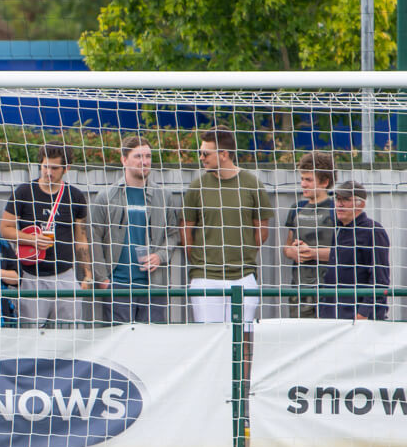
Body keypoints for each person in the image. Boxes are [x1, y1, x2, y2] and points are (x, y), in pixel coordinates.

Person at [181, 127, 273, 325]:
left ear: (223, 154)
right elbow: (186, 231)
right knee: (209, 340)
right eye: (200, 153)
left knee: (243, 337)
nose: (201, 158)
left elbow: (262, 232)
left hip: (243, 276)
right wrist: (203, 260)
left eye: (205, 153)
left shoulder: (251, 184)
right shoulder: (197, 186)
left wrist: (241, 254)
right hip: (205, 276)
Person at [88, 136, 180, 324]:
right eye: (138, 156)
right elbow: (94, 239)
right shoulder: (106, 197)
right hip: (118, 286)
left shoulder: (164, 196)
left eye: (148, 156)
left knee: (150, 346)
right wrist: (103, 280)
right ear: (124, 160)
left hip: (154, 287)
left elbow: (173, 235)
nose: (144, 161)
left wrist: (160, 256)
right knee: (118, 347)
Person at [1, 143, 92, 327]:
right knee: (31, 334)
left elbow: (80, 237)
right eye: (45, 166)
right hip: (31, 276)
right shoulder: (24, 192)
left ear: (66, 169)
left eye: (54, 168)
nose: (48, 172)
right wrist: (32, 239)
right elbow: (5, 228)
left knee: (70, 335)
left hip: (64, 274)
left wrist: (87, 273)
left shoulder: (75, 196)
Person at [319, 181, 390, 321]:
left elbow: (380, 278)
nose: (339, 204)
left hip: (359, 318)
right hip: (333, 314)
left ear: (361, 204)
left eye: (345, 200)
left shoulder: (373, 231)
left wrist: (364, 312)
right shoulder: (338, 230)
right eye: (337, 199)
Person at [282, 151, 336, 318]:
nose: (303, 184)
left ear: (325, 182)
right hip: (300, 288)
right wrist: (293, 252)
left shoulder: (336, 210)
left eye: (309, 180)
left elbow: (345, 252)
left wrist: (312, 253)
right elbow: (287, 247)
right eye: (302, 179)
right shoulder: (297, 209)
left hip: (329, 288)